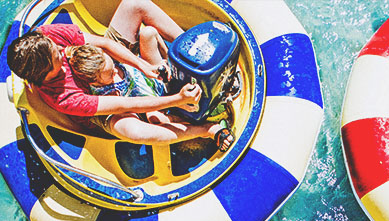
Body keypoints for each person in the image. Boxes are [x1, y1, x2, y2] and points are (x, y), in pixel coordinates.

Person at [6, 0, 201, 131]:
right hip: (105, 101)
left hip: (102, 62)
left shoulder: (47, 37)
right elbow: (125, 104)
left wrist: (142, 66)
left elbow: (106, 44)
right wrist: (177, 99)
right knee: (131, 128)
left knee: (134, 3)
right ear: (46, 73)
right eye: (57, 54)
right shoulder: (63, 97)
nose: (60, 48)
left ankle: (194, 51)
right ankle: (203, 131)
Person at [66, 44, 234, 148]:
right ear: (94, 82)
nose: (116, 73)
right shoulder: (106, 95)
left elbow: (138, 66)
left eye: (114, 67)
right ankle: (205, 129)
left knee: (148, 33)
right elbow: (139, 104)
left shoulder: (105, 61)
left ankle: (196, 66)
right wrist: (177, 100)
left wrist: (158, 64)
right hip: (142, 103)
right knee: (155, 118)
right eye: (110, 74)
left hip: (151, 83)